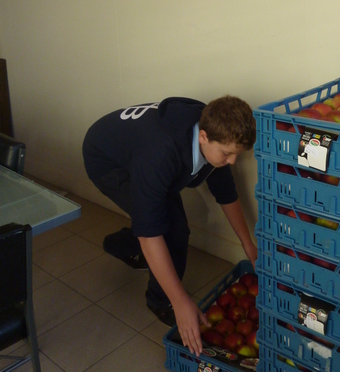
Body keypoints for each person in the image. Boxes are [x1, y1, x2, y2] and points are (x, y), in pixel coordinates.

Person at [82, 95, 257, 356]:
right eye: (227, 154)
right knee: (172, 229)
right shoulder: (160, 154)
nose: (232, 161)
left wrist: (248, 245)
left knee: (165, 220)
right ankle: (159, 301)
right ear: (203, 137)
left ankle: (120, 245)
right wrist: (180, 302)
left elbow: (226, 192)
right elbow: (150, 231)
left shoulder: (214, 130)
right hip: (107, 160)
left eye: (236, 155)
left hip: (138, 152)